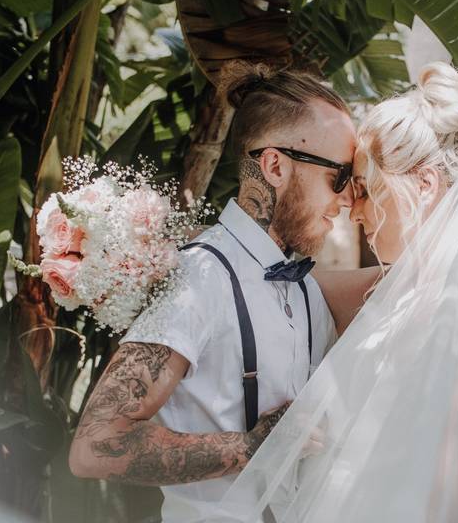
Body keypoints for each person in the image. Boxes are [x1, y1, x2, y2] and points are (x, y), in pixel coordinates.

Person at [215, 62, 458, 522]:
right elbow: (264, 285)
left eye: (364, 189)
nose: (351, 209)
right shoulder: (395, 292)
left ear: (423, 185)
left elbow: (454, 498)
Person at [68, 62, 382, 522]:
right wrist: (251, 446)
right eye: (339, 177)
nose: (347, 200)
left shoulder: (301, 285)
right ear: (275, 165)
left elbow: (404, 284)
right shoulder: (201, 277)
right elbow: (95, 445)